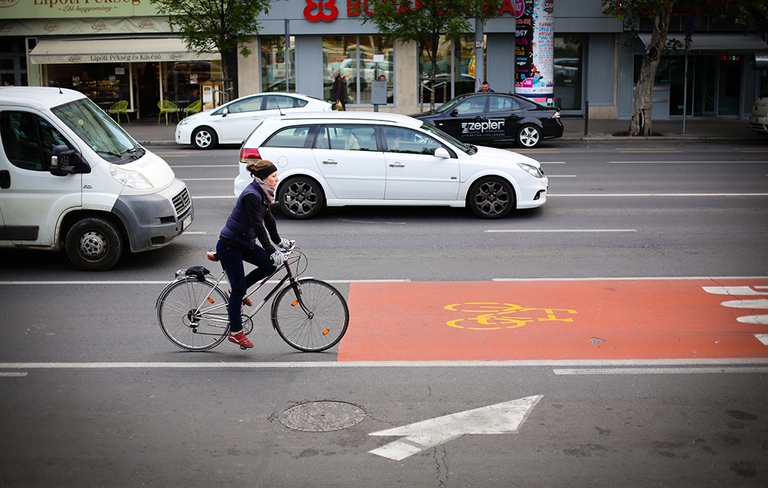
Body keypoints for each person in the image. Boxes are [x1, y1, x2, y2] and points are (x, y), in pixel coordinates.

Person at [216, 159, 292, 349]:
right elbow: (258, 226)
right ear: (263, 178)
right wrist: (272, 250)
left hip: (243, 242)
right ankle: (235, 332)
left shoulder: (262, 192)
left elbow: (269, 220)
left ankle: (238, 290)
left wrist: (279, 242)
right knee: (239, 289)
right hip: (230, 245)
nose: (277, 179)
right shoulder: (252, 195)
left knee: (269, 265)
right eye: (274, 176)